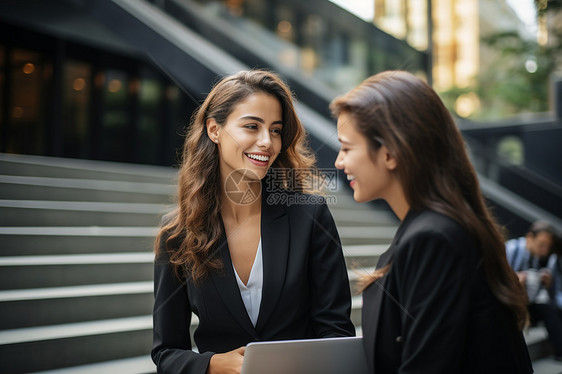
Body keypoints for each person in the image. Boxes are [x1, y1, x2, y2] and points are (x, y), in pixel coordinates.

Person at [152, 70, 354, 374]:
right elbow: (166, 351)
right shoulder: (177, 234)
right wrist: (211, 364)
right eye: (251, 126)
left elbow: (336, 331)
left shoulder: (310, 214)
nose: (267, 142)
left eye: (275, 130)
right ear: (214, 130)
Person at [331, 70, 533, 373]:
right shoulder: (438, 230)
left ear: (389, 153)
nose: (338, 161)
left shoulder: (434, 238)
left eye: (347, 148)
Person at [506, 220, 562, 360]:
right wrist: (514, 280)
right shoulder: (510, 250)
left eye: (547, 247)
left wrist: (548, 284)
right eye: (541, 245)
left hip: (526, 303)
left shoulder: (542, 259)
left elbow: (552, 296)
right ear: (530, 237)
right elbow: (495, 280)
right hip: (508, 304)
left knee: (549, 309)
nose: (544, 250)